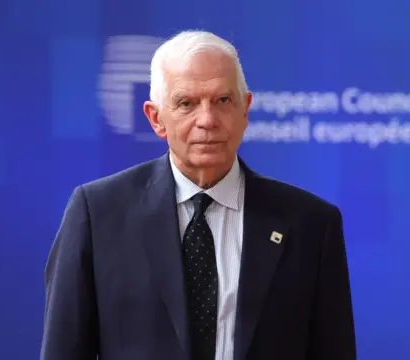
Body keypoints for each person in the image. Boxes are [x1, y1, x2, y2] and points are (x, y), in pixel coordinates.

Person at [40, 30, 356, 360]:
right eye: (186, 104)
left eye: (223, 101)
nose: (207, 120)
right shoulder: (98, 214)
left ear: (245, 110)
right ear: (155, 118)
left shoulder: (312, 224)